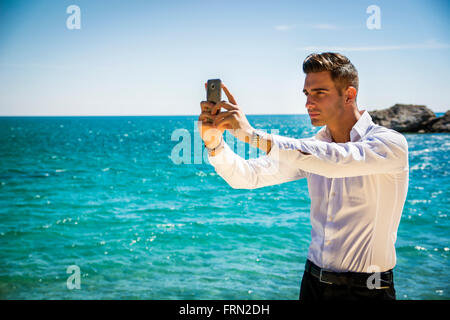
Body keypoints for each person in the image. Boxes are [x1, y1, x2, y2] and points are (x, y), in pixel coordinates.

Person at [198, 52, 409, 301]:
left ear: (349, 95)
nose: (308, 103)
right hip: (312, 284)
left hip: (368, 289)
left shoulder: (390, 144)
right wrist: (215, 145)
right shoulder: (309, 150)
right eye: (307, 94)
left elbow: (336, 161)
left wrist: (252, 136)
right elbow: (247, 177)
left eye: (319, 93)